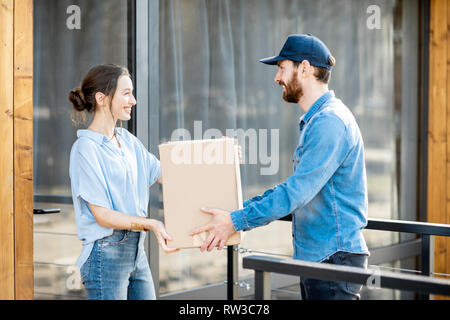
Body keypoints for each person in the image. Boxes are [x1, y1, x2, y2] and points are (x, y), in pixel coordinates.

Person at [191, 34, 370, 300]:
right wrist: (237, 213)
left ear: (305, 68)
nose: (277, 78)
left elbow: (295, 193)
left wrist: (235, 221)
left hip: (334, 260)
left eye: (282, 68)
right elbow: (296, 188)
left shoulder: (329, 122)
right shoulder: (317, 120)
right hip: (322, 258)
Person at [68, 64, 178, 300]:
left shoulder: (128, 141)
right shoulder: (85, 149)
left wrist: (220, 156)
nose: (134, 100)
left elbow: (166, 174)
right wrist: (151, 223)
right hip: (105, 254)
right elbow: (102, 215)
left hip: (136, 251)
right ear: (101, 98)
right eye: (126, 93)